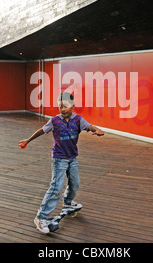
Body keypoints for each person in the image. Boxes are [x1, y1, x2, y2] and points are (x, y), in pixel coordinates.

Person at [19, 92, 105, 233]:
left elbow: (90, 127)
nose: (63, 109)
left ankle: (68, 203)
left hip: (72, 158)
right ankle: (41, 217)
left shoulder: (78, 120)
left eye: (65, 106)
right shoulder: (55, 121)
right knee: (56, 187)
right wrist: (27, 140)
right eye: (60, 106)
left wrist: (98, 130)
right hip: (59, 158)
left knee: (75, 183)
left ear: (72, 106)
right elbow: (42, 131)